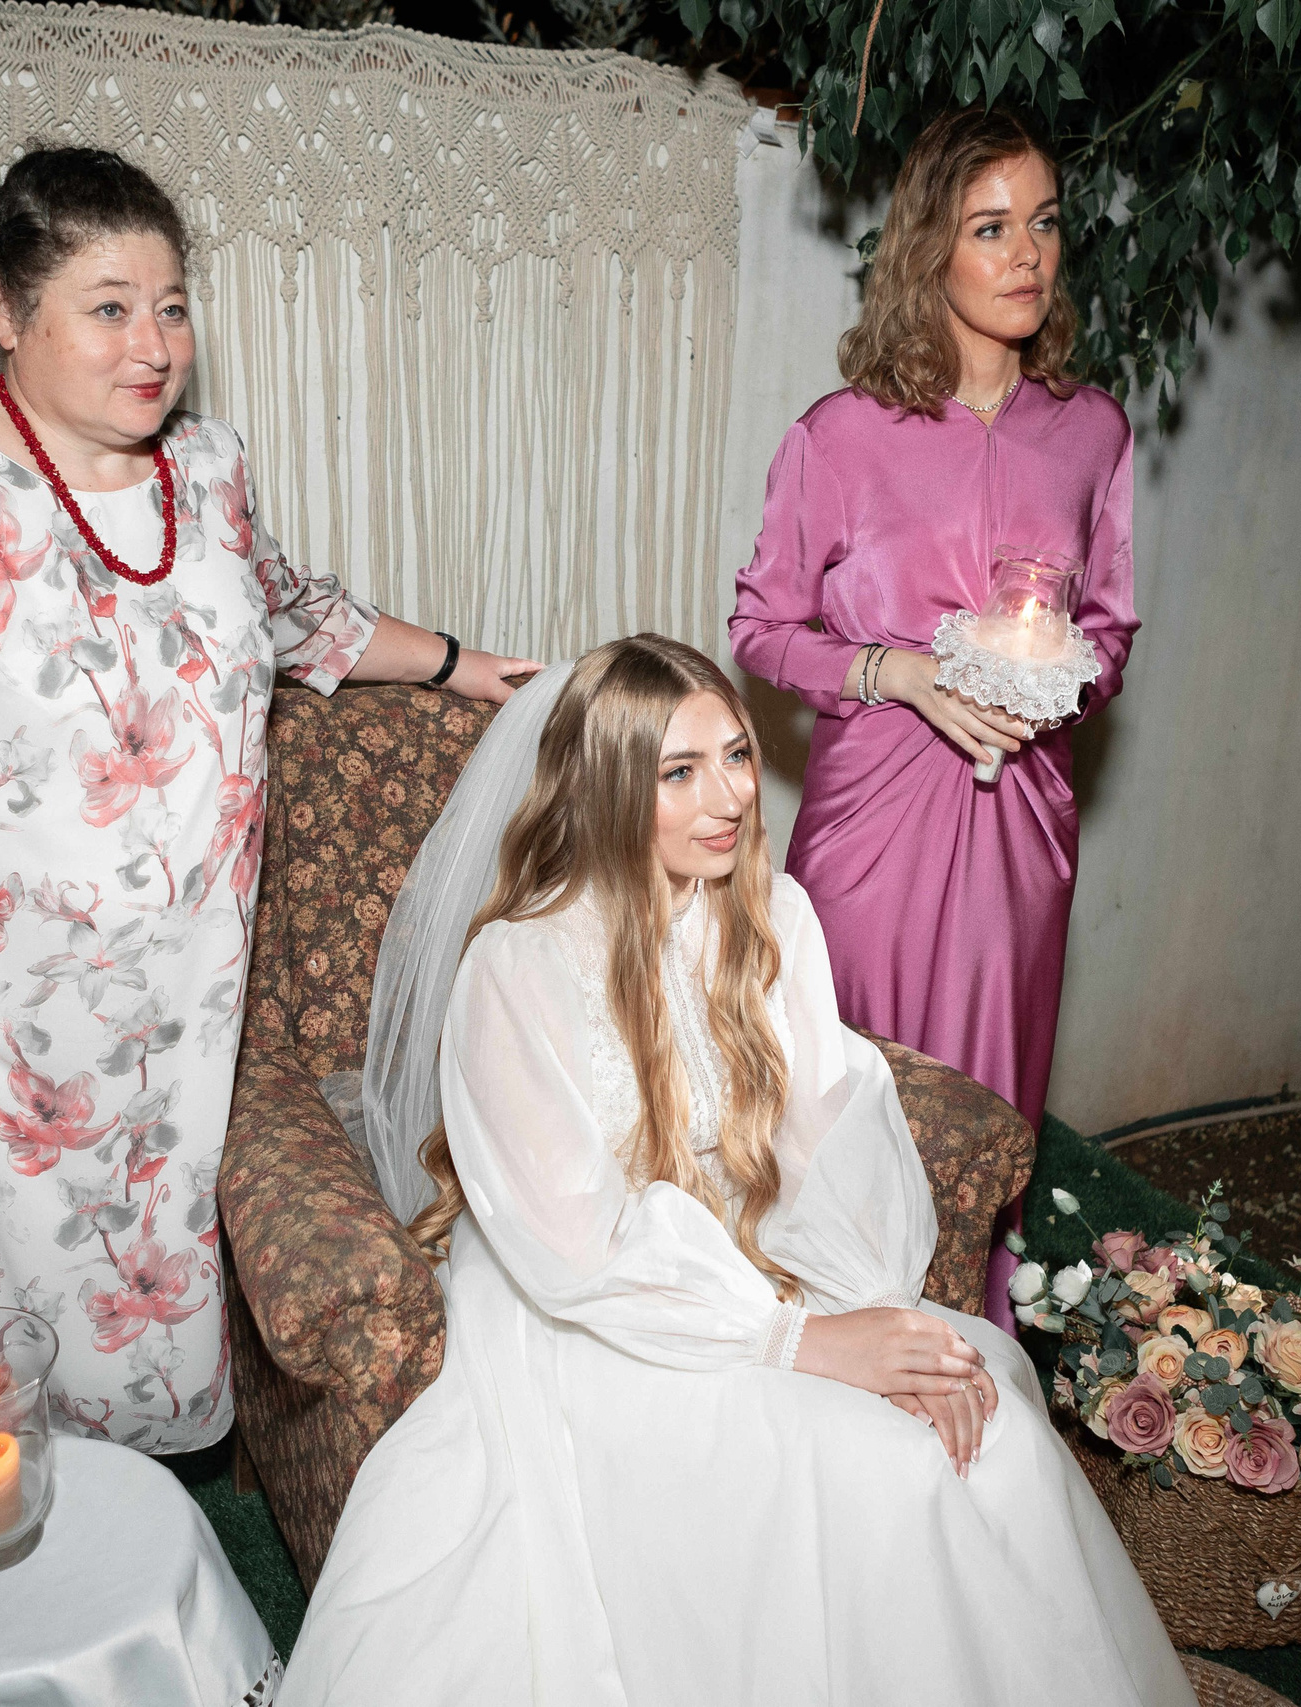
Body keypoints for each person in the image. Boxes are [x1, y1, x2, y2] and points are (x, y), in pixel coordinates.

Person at [281, 637, 1193, 1707]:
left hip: (758, 1255)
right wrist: (804, 1344)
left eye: (736, 755)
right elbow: (575, 1247)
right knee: (878, 1471)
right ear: (607, 786)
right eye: (678, 772)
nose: (727, 798)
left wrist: (880, 1317)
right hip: (586, 1309)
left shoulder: (772, 914)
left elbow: (829, 1139)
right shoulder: (519, 965)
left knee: (987, 1429)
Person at [0, 146, 539, 1456]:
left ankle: (134, 1517)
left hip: (183, 1011)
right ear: (2, 308)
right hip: (1, 1024)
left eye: (173, 306)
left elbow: (291, 609)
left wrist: (459, 664)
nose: (154, 345)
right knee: (5, 1318)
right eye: (109, 307)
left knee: (140, 1301)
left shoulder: (206, 468)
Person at [729, 107, 1138, 1330]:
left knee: (986, 1092)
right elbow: (761, 629)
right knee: (845, 1085)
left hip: (1021, 817)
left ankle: (968, 1334)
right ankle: (824, 1334)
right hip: (871, 821)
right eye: (990, 228)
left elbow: (1111, 629)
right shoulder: (841, 435)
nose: (1027, 255)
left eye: (1044, 224)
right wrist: (899, 675)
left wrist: (1056, 679)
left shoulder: (1092, 432)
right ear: (929, 250)